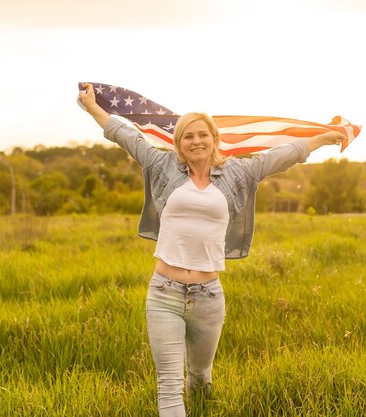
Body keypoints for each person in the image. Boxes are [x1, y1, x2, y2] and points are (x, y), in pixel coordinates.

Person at [78, 82, 346, 417]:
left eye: (203, 135)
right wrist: (92, 107)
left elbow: (280, 156)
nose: (196, 141)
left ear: (214, 140)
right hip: (164, 293)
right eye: (188, 136)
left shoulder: (237, 173)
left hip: (208, 295)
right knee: (169, 382)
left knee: (200, 377)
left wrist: (322, 138)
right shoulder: (161, 167)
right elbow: (126, 134)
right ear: (179, 144)